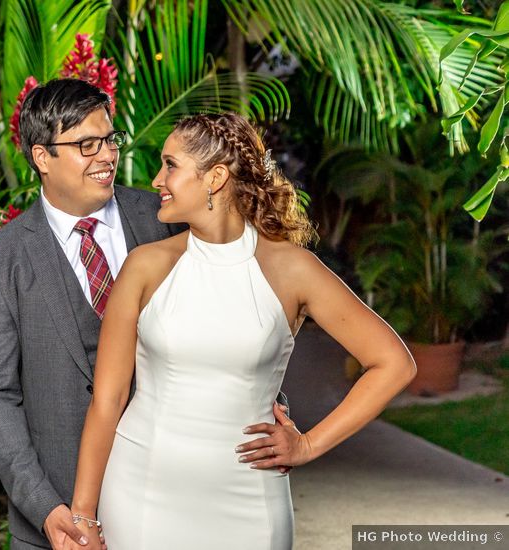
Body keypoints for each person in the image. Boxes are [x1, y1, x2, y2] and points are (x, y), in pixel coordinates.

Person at [65, 113, 417, 549]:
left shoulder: (292, 269)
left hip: (250, 499)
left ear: (214, 178)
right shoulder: (145, 267)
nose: (157, 179)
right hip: (143, 490)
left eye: (170, 165)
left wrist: (307, 445)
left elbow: (393, 364)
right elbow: (108, 400)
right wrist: (83, 515)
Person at [0, 81, 292, 550]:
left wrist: (275, 408)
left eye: (110, 140)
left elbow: (245, 311)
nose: (106, 156)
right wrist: (44, 507)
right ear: (41, 156)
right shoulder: (1, 261)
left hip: (180, 496)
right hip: (59, 517)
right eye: (86, 145)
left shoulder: (170, 215)